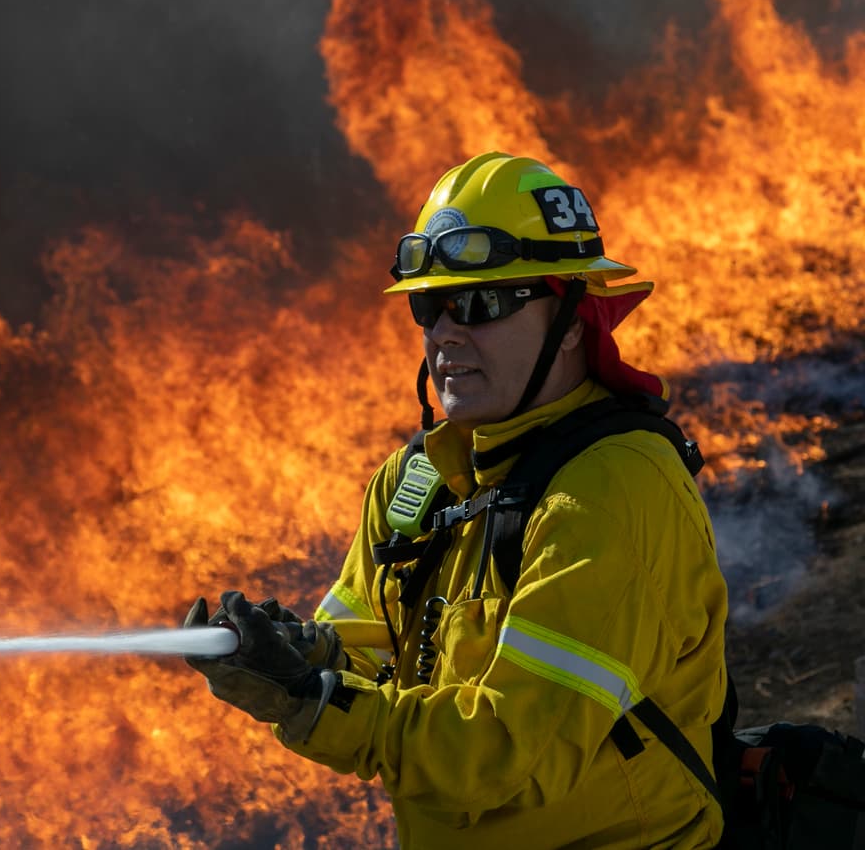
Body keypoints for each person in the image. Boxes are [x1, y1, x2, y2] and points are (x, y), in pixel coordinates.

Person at [184, 152, 729, 848]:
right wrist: (297, 659)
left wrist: (311, 700)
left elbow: (504, 753)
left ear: (571, 322)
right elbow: (372, 667)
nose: (444, 333)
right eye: (429, 306)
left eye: (480, 304)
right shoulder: (416, 482)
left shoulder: (615, 490)